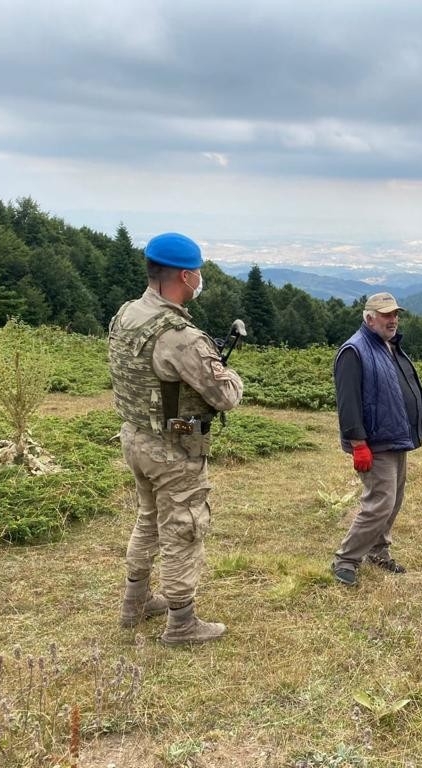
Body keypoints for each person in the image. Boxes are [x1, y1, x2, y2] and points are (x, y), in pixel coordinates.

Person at [109, 232, 244, 645]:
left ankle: (134, 603)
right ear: (185, 276)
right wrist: (231, 374)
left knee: (148, 519)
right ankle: (181, 623)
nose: (200, 279)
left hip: (135, 436)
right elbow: (225, 396)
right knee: (184, 527)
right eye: (198, 272)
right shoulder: (179, 335)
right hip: (172, 449)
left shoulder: (128, 315)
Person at [331, 292, 422, 586]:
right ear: (369, 318)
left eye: (395, 314)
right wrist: (358, 444)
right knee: (380, 502)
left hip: (395, 437)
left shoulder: (387, 345)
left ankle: (378, 551)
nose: (393, 320)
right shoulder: (354, 350)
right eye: (386, 314)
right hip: (373, 442)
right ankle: (345, 560)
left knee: (394, 500)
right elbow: (348, 402)